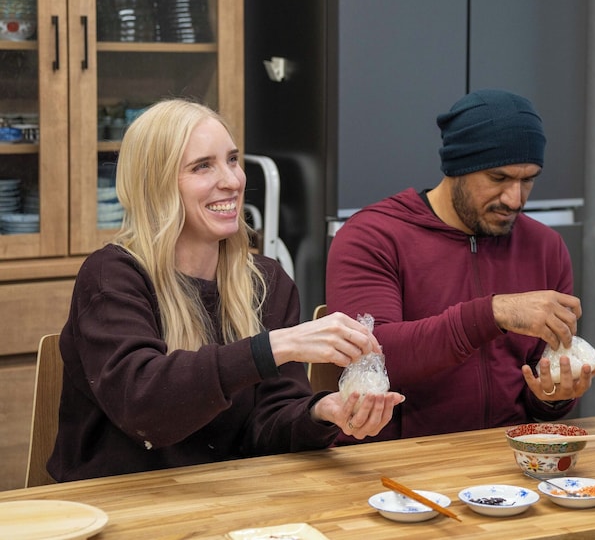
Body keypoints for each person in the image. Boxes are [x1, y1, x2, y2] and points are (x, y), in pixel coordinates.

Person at [50, 100, 404, 481]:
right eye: (203, 166)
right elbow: (144, 406)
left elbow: (264, 430)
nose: (233, 181)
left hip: (224, 500)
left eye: (232, 160)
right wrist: (274, 347)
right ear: (156, 184)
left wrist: (320, 413)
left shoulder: (266, 283)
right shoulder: (112, 276)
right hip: (116, 504)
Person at [326, 88, 595, 443]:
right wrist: (492, 313)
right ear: (457, 168)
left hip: (504, 462)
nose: (515, 199)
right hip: (397, 465)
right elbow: (373, 360)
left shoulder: (545, 248)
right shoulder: (372, 236)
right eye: (499, 178)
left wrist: (552, 398)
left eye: (528, 180)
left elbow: (534, 395)